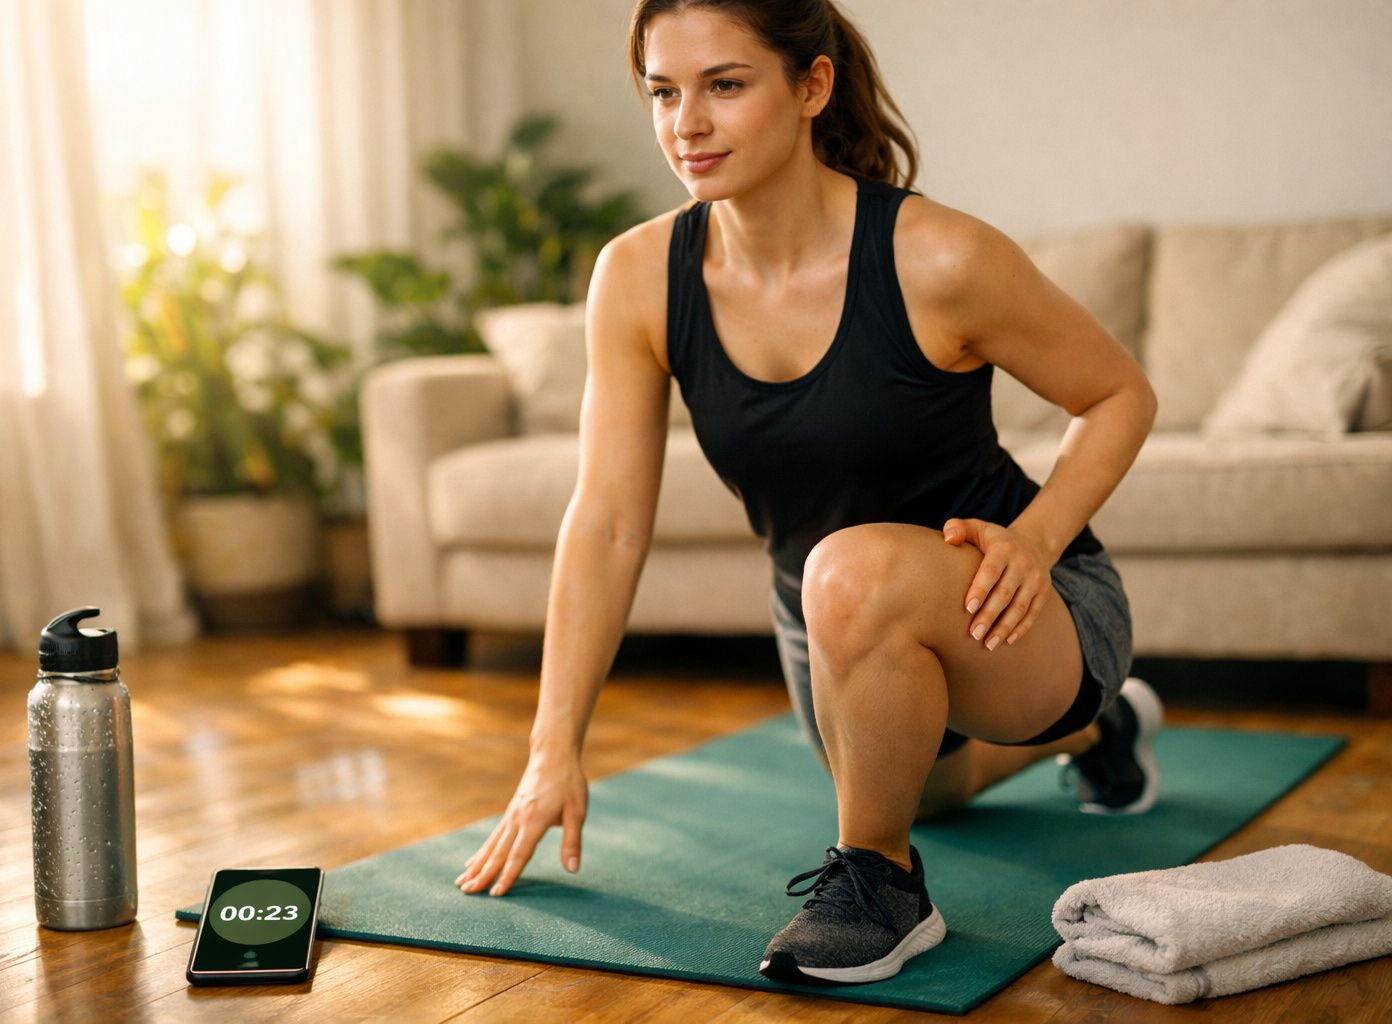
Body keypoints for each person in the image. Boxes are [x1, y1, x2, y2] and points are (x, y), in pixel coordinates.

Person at [455, 0, 1166, 986]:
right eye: (664, 91)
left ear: (811, 87)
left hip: (1025, 609)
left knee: (849, 581)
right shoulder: (638, 276)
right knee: (929, 777)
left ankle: (884, 884)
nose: (685, 123)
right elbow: (610, 520)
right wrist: (551, 747)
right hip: (828, 625)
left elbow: (1120, 391)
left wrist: (1038, 538)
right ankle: (1107, 730)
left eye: (725, 85)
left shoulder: (938, 255)